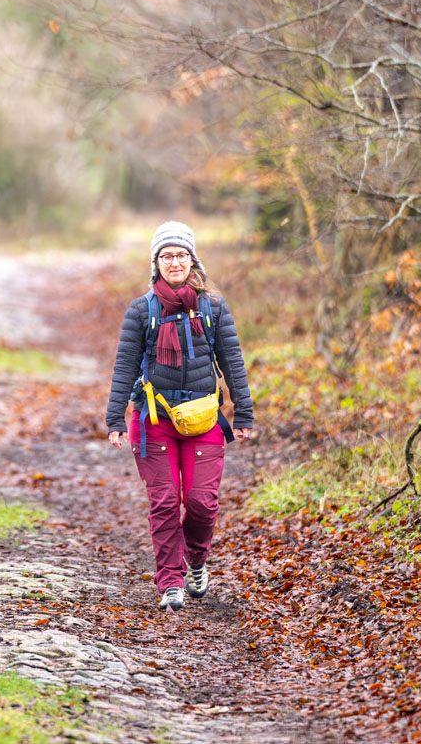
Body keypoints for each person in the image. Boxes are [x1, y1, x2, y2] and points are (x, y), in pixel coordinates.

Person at [104, 221, 255, 612]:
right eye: (167, 256)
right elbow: (124, 367)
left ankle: (197, 560)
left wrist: (244, 411)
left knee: (203, 503)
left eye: (181, 255)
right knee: (166, 501)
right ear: (156, 263)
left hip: (204, 418)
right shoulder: (141, 311)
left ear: (192, 260)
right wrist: (115, 419)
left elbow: (232, 361)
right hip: (154, 419)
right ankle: (170, 581)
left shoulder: (213, 307)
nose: (175, 262)